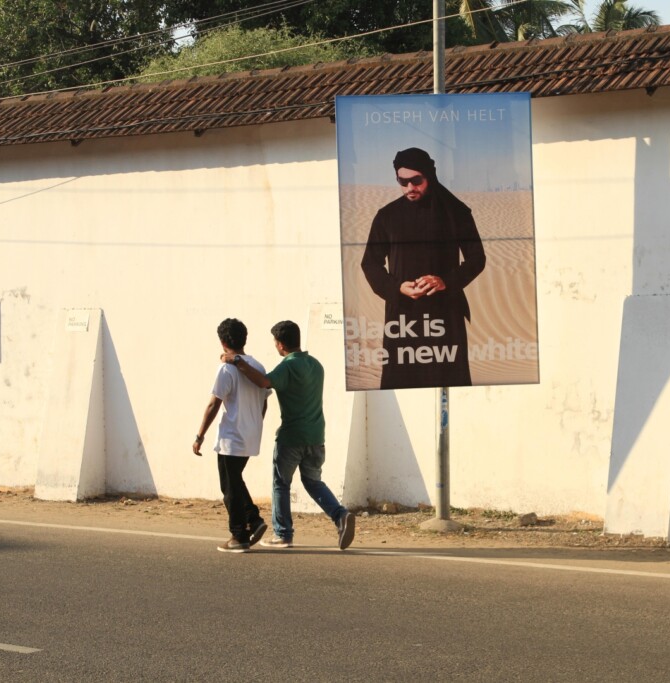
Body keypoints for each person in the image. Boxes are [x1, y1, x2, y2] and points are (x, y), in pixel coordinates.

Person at [360, 147, 486, 390]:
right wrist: (396, 288)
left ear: (429, 175)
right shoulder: (387, 216)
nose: (410, 188)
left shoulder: (456, 212)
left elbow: (476, 258)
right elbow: (370, 263)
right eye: (402, 181)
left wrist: (446, 281)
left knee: (448, 382)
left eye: (416, 180)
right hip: (403, 317)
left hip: (445, 314)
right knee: (401, 381)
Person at [223, 320, 355, 550]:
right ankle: (340, 515)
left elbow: (264, 382)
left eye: (276, 343)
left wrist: (237, 361)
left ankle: (283, 534)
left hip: (291, 437)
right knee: (313, 482)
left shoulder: (288, 366)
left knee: (281, 484)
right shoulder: (316, 365)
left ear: (281, 345)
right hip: (316, 436)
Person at [194, 318, 271, 553]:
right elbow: (264, 402)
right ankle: (254, 520)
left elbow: (213, 404)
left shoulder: (226, 368)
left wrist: (200, 435)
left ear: (223, 342)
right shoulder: (257, 365)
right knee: (235, 481)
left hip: (231, 437)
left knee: (229, 487)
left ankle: (239, 535)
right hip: (250, 435)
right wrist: (255, 424)